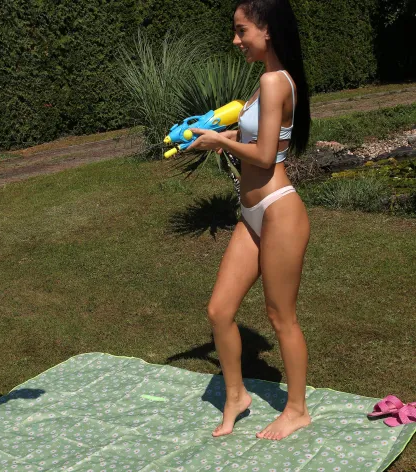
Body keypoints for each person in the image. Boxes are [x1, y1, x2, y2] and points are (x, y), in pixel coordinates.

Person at [187, 0, 312, 441]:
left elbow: (263, 156)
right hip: (253, 214)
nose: (236, 40)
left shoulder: (274, 82)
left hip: (279, 210)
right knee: (220, 310)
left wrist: (219, 143)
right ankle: (237, 395)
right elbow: (256, 136)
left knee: (281, 317)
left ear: (267, 30)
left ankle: (296, 410)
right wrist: (216, 135)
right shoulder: (265, 82)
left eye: (242, 31)